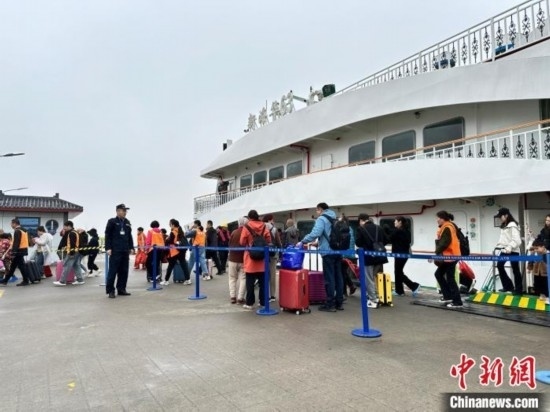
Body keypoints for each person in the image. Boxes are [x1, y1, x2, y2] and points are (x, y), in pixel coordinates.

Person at [296, 203, 344, 312]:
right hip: (338, 251)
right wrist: (318, 243)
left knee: (329, 278)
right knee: (339, 277)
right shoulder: (335, 218)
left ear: (320, 209)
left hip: (327, 252)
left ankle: (330, 304)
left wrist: (303, 241)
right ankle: (339, 303)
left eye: (317, 210)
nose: (316, 212)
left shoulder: (321, 219)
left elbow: (315, 233)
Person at [355, 213, 388, 308]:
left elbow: (358, 243)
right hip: (380, 256)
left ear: (361, 220)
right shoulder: (379, 227)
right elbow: (386, 240)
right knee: (373, 277)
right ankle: (375, 297)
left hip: (368, 257)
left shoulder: (361, 229)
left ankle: (373, 300)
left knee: (369, 279)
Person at [240, 210, 271, 309]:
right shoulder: (264, 226)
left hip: (250, 259)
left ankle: (249, 303)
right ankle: (263, 302)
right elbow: (269, 239)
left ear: (249, 218)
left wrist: (250, 242)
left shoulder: (246, 226)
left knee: (250, 283)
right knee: (263, 283)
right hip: (262, 259)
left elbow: (242, 241)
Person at [433, 210, 463, 308]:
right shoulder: (449, 226)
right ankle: (448, 296)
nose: (437, 220)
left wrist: (436, 252)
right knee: (438, 274)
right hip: (450, 256)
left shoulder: (447, 228)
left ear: (443, 219)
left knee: (450, 278)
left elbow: (445, 243)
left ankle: (457, 301)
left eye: (438, 218)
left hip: (451, 256)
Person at [104, 203, 135, 298]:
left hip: (125, 250)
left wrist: (131, 247)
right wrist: (108, 248)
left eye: (126, 211)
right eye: (123, 210)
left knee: (124, 271)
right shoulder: (112, 221)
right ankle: (110, 290)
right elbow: (108, 235)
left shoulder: (127, 222)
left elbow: (129, 236)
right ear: (118, 211)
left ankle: (121, 289)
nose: (125, 212)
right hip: (115, 250)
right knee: (113, 271)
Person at [494, 207, 523, 295]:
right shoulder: (504, 225)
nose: (500, 218)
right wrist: (498, 245)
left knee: (515, 269)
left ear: (506, 215)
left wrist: (510, 247)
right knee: (499, 265)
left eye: (501, 216)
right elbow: (503, 239)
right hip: (504, 250)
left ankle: (518, 290)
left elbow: (517, 240)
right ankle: (508, 286)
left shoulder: (512, 225)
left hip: (513, 250)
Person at [389, 216, 420, 297]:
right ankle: (400, 291)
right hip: (404, 254)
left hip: (400, 254)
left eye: (395, 221)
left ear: (400, 222)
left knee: (398, 272)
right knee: (398, 272)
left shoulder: (398, 231)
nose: (394, 222)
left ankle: (413, 286)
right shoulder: (406, 231)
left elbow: (390, 238)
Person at [0, 218, 31, 286]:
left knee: (21, 267)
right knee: (14, 267)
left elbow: (16, 243)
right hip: (23, 250)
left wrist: (13, 253)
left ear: (14, 223)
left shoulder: (17, 231)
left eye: (11, 224)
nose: (11, 225)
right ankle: (5, 280)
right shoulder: (24, 230)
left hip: (18, 251)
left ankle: (26, 280)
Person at [53, 221, 86, 286]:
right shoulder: (76, 232)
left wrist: (71, 253)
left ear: (69, 226)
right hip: (77, 252)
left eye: (65, 226)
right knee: (76, 266)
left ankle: (62, 281)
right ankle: (80, 280)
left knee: (66, 266)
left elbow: (72, 244)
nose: (64, 228)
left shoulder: (71, 233)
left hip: (72, 252)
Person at [162, 218, 191, 285]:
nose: (169, 225)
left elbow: (171, 242)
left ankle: (166, 281)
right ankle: (188, 280)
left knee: (170, 266)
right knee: (184, 266)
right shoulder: (180, 231)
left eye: (170, 224)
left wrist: (167, 239)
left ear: (173, 225)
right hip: (181, 250)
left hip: (175, 251)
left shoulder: (173, 232)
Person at [228, 216, 248, 304]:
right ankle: (240, 297)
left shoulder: (234, 232)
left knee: (232, 278)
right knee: (243, 278)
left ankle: (233, 297)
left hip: (232, 258)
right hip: (243, 259)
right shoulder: (247, 232)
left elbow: (229, 244)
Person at [262, 214, 282, 302]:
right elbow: (278, 242)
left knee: (263, 275)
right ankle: (272, 295)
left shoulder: (260, 227)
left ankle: (263, 295)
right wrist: (280, 253)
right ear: (270, 220)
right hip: (272, 255)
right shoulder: (274, 229)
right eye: (272, 219)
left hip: (261, 255)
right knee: (272, 275)